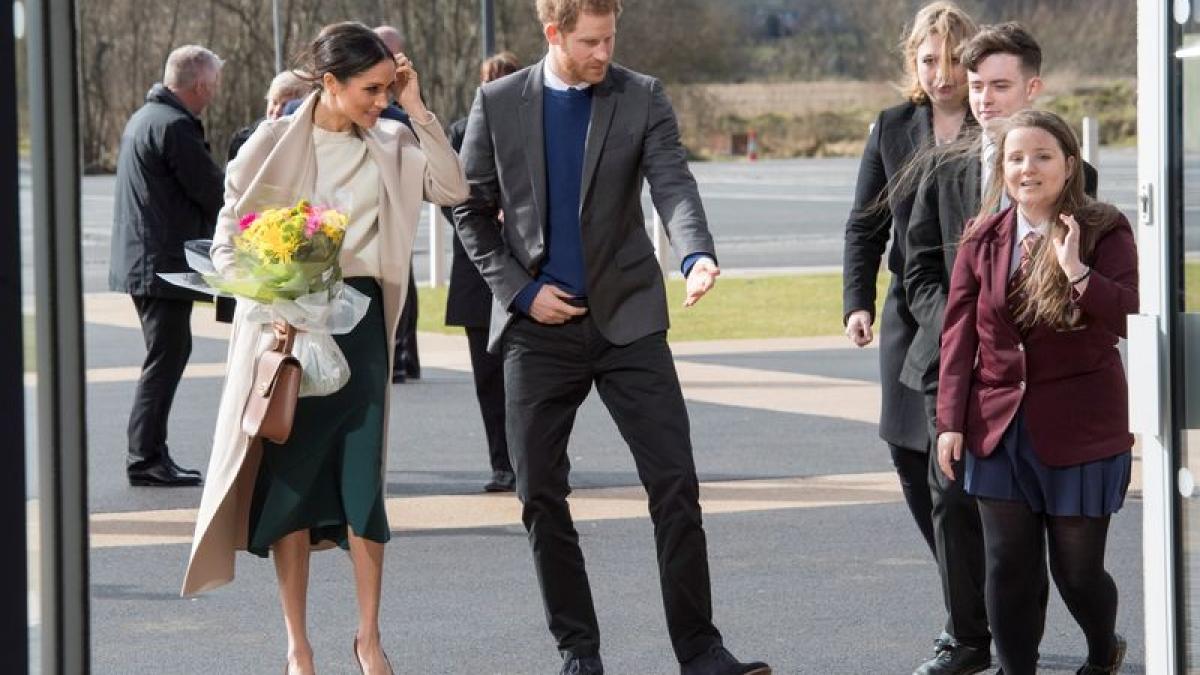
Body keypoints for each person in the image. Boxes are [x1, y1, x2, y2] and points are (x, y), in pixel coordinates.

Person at [454, 1, 770, 673]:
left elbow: (672, 184)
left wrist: (696, 254)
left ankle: (701, 649)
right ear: (554, 35)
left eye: (610, 38)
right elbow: (471, 212)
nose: (603, 52)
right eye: (590, 41)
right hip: (538, 327)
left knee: (676, 483)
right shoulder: (499, 101)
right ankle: (579, 651)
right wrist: (521, 291)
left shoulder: (641, 95)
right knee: (538, 489)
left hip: (629, 320)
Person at [180, 22, 467, 675]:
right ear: (329, 84)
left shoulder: (394, 139)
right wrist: (264, 278)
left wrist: (416, 106)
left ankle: (369, 638)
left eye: (389, 87)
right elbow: (227, 237)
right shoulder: (269, 144)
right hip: (289, 331)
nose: (380, 100)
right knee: (294, 488)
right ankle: (298, 645)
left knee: (365, 484)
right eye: (371, 89)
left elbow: (452, 188)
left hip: (362, 328)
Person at [903, 23, 1099, 675]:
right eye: (977, 85)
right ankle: (968, 640)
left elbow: (1086, 290)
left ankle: (1076, 643)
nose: (982, 98)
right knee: (952, 503)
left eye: (999, 86)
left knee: (1051, 548)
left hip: (1041, 387)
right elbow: (919, 270)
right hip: (953, 366)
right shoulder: (943, 164)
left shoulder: (1076, 173)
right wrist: (953, 334)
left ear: (1032, 89)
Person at [936, 109, 1133, 675]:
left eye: (1042, 156)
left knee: (1076, 571)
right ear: (1002, 169)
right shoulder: (983, 237)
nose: (1028, 168)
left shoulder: (1105, 229)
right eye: (1016, 158)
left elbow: (1130, 317)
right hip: (996, 426)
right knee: (1008, 564)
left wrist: (1077, 273)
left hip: (1081, 427)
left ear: (1069, 164)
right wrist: (951, 420)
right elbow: (958, 333)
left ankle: (1103, 651)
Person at [842, 0, 977, 560]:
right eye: (928, 61)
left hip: (977, 305)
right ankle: (957, 591)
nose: (942, 75)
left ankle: (982, 598)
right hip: (906, 310)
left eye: (954, 60)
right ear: (912, 63)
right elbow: (865, 223)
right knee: (907, 450)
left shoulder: (993, 121)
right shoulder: (892, 127)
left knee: (962, 457)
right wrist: (858, 302)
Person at [108, 45, 224, 487]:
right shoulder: (174, 126)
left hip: (147, 259)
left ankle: (150, 453)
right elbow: (209, 190)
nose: (212, 94)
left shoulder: (145, 118)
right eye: (211, 86)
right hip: (161, 263)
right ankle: (146, 458)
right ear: (199, 84)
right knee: (166, 356)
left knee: (168, 353)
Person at [443, 51, 522, 493]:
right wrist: (486, 220)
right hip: (478, 270)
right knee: (492, 378)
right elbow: (449, 200)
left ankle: (519, 460)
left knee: (522, 377)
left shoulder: (536, 127)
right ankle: (503, 462)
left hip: (525, 267)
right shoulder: (460, 132)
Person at [226, 70, 310, 162]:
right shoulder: (244, 141)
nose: (277, 110)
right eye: (274, 102)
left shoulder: (308, 143)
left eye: (285, 104)